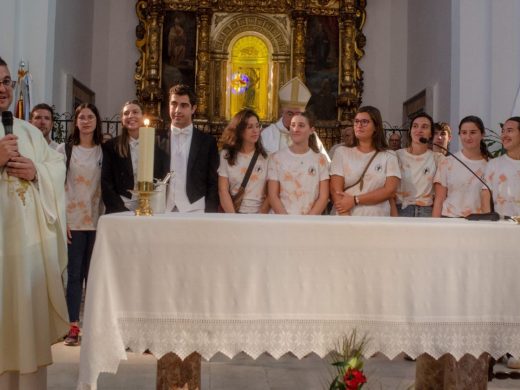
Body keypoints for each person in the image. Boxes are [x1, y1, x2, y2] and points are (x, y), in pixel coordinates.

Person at [0, 56, 69, 388]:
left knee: (24, 323)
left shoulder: (28, 131)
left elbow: (56, 167)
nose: (2, 88)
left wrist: (37, 173)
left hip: (27, 251)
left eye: (6, 81)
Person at [56, 103, 103, 347]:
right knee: (74, 276)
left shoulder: (104, 151)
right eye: (81, 117)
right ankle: (73, 325)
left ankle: (94, 326)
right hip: (73, 221)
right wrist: (61, 219)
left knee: (94, 277)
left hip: (97, 222)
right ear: (76, 122)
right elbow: (56, 186)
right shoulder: (65, 150)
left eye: (90, 117)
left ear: (97, 121)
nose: (86, 121)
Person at [330, 106, 400, 216]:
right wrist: (345, 218)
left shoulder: (389, 155)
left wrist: (355, 200)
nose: (359, 125)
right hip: (347, 216)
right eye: (356, 121)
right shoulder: (341, 152)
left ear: (376, 126)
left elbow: (389, 191)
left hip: (378, 218)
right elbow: (336, 190)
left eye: (365, 122)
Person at [101, 100, 168, 214]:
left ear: (143, 117)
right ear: (122, 120)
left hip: (150, 204)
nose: (131, 116)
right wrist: (120, 208)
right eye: (126, 113)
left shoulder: (157, 144)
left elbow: (161, 175)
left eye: (135, 112)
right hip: (122, 203)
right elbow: (106, 181)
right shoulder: (111, 146)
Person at [165, 84, 219, 212]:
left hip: (196, 207)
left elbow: (213, 181)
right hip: (162, 208)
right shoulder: (155, 139)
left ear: (193, 108)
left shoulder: (207, 142)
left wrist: (210, 212)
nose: (177, 110)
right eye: (173, 104)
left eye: (183, 105)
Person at [267, 111, 329, 215]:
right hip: (281, 220)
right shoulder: (276, 158)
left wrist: (307, 221)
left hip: (309, 222)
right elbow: (273, 195)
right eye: (293, 125)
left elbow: (323, 197)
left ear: (311, 130)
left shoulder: (320, 160)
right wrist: (287, 221)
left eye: (301, 126)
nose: (296, 129)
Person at [433, 116, 491, 218]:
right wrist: (434, 228)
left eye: (473, 132)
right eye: (464, 133)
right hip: (450, 221)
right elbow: (439, 200)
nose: (468, 137)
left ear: (482, 134)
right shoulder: (447, 162)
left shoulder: (491, 165)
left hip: (478, 222)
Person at [261, 77, 330, 160]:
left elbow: (324, 162)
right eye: (290, 113)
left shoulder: (310, 135)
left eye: (298, 114)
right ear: (282, 112)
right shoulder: (268, 134)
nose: (294, 118)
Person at [218, 108, 269, 213]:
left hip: (259, 215)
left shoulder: (267, 157)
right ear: (239, 130)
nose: (255, 130)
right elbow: (223, 190)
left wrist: (260, 217)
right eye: (249, 127)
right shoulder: (226, 155)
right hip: (234, 212)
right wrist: (234, 219)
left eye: (257, 126)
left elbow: (271, 193)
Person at [396, 112, 442, 217]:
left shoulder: (437, 158)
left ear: (431, 133)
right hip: (401, 210)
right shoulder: (396, 156)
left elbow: (440, 195)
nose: (419, 130)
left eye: (424, 127)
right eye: (415, 126)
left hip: (427, 211)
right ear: (410, 131)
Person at [481, 116, 520, 217]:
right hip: (502, 228)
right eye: (503, 131)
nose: (504, 135)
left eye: (509, 131)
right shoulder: (493, 165)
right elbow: (485, 197)